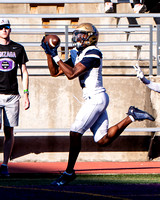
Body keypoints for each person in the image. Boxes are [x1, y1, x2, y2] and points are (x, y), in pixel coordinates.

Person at [41, 23, 155, 186]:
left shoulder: (94, 53)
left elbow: (71, 74)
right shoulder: (77, 53)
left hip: (96, 97)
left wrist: (56, 56)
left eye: (81, 35)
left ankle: (69, 172)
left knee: (75, 132)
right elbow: (55, 72)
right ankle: (131, 116)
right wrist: (48, 54)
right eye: (77, 34)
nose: (77, 38)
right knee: (102, 140)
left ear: (90, 37)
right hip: (93, 98)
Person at [0, 18, 30, 176]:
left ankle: (5, 164)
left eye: (6, 27)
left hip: (12, 95)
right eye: (1, 27)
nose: (4, 30)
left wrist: (26, 94)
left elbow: (24, 72)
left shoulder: (18, 48)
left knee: (9, 131)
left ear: (10, 29)